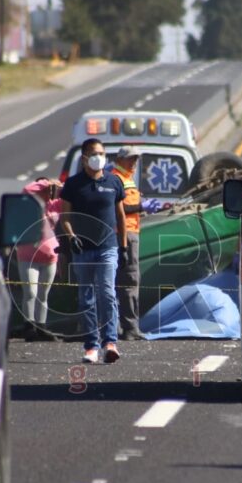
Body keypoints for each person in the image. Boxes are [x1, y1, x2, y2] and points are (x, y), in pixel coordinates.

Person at [59, 138, 127, 364]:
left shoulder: (114, 182)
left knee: (107, 293)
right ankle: (91, 346)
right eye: (94, 153)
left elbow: (121, 216)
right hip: (83, 249)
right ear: (85, 158)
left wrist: (124, 247)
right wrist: (71, 237)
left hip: (108, 247)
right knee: (86, 298)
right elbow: (65, 217)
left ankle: (110, 343)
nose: (99, 157)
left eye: (102, 153)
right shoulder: (73, 184)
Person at [110, 145, 163, 341]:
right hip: (124, 233)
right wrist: (141, 206)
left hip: (129, 232)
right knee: (129, 279)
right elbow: (118, 208)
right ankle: (130, 328)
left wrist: (143, 207)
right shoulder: (116, 178)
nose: (134, 162)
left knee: (124, 280)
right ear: (120, 159)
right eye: (131, 158)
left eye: (136, 158)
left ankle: (123, 326)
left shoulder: (126, 178)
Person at [10, 177, 63, 341]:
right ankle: (29, 325)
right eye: (44, 190)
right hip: (28, 254)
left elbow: (70, 194)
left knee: (43, 294)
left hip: (50, 255)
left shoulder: (55, 205)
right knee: (30, 292)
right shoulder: (29, 205)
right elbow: (28, 189)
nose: (48, 193)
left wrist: (60, 186)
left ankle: (41, 326)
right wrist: (46, 184)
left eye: (49, 190)